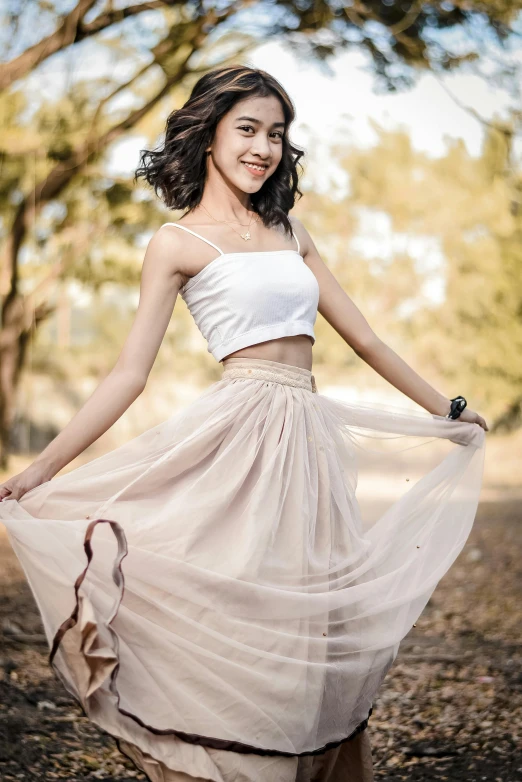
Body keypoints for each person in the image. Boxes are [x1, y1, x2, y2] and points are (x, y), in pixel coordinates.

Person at [0, 65, 487, 782]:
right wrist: (41, 470)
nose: (263, 147)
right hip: (239, 435)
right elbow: (129, 376)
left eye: (276, 134)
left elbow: (368, 340)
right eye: (248, 129)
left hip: (308, 438)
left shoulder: (291, 229)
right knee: (241, 608)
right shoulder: (176, 244)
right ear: (209, 137)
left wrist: (444, 409)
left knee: (309, 625)